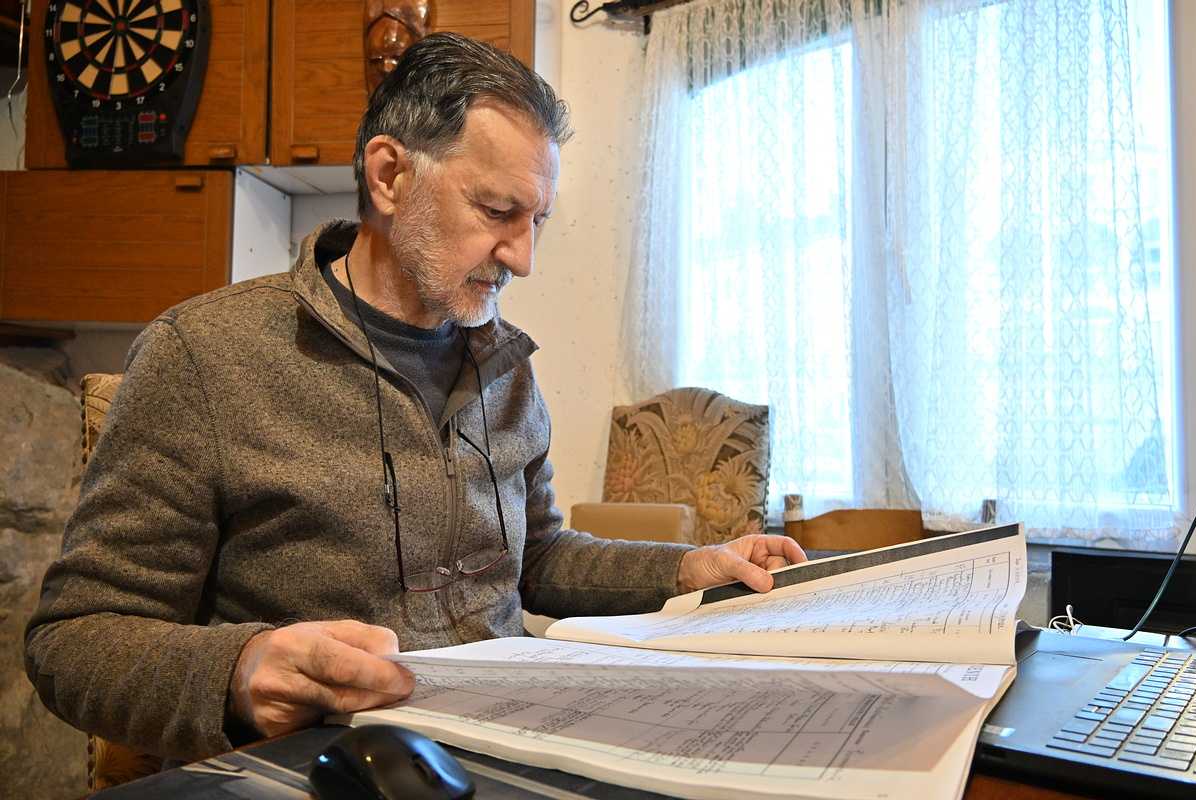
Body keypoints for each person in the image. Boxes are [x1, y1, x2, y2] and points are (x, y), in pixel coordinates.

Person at [24, 33, 804, 764]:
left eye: (537, 221)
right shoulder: (205, 355)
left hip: (506, 746)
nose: (523, 259)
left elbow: (538, 559)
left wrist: (688, 569)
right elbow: (74, 641)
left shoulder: (506, 367)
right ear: (390, 176)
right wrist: (240, 667)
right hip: (325, 767)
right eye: (497, 212)